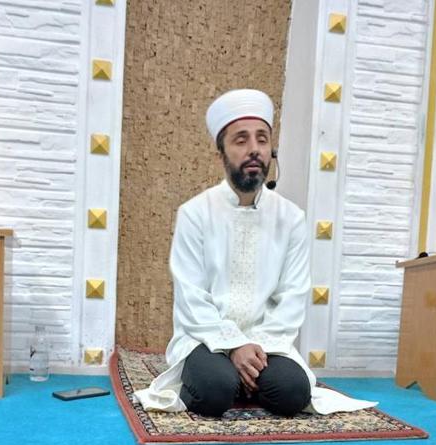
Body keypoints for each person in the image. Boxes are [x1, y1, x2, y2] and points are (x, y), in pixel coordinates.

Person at [134, 89, 375, 417]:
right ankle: (232, 380)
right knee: (215, 390)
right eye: (241, 140)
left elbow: (292, 297)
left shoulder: (291, 218)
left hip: (267, 342)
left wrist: (254, 348)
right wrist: (233, 345)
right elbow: (191, 297)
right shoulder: (195, 213)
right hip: (206, 337)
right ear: (221, 153)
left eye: (262, 139)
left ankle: (244, 378)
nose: (253, 149)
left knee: (293, 392)